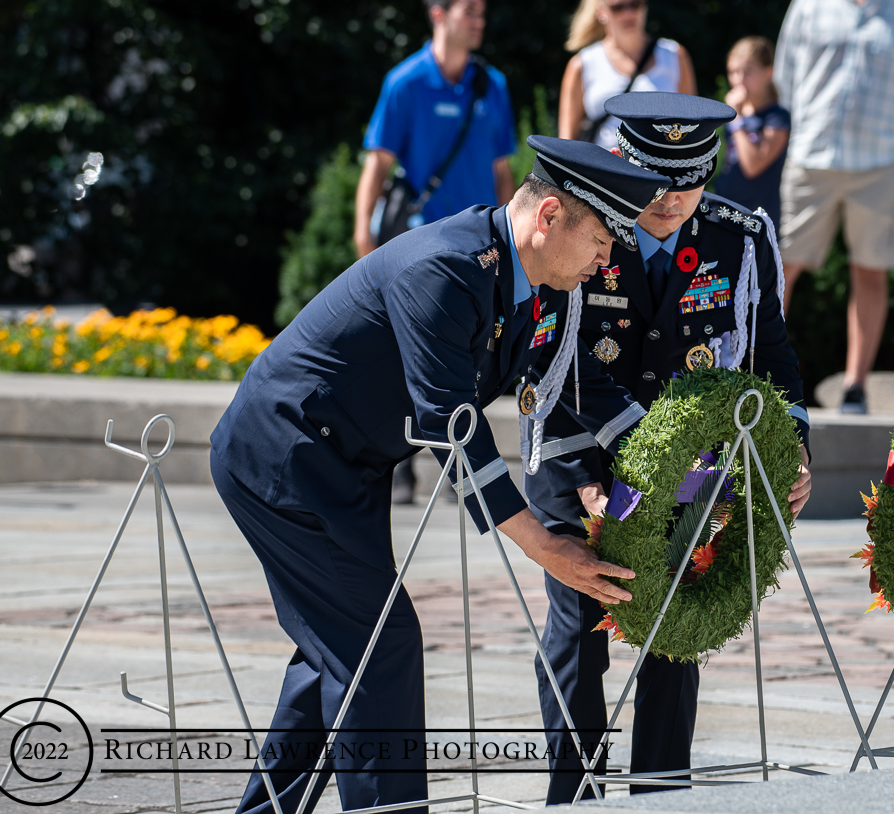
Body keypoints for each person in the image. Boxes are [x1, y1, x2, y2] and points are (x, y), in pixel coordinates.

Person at [211, 137, 672, 814]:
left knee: (340, 651)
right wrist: (543, 545)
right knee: (379, 645)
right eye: (603, 239)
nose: (608, 262)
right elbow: (450, 426)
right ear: (548, 217)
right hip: (286, 455)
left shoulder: (526, 282)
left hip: (344, 465)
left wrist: (676, 474)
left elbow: (572, 382)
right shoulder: (448, 270)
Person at [525, 92, 813, 805]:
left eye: (689, 181)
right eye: (656, 181)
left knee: (672, 634)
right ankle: (574, 793)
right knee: (579, 627)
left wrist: (794, 445)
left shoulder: (739, 238)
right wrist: (590, 479)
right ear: (623, 162)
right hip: (582, 462)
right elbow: (544, 363)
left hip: (685, 477)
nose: (672, 199)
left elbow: (771, 354)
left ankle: (662, 793)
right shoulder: (588, 226)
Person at [354, 0, 518, 502]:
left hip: (479, 245)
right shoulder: (405, 82)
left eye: (481, 11)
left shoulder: (490, 85)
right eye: (468, 9)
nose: (478, 20)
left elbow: (502, 171)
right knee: (409, 357)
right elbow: (378, 162)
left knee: (473, 356)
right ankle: (398, 466)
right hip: (420, 249)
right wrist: (363, 230)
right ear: (438, 14)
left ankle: (458, 465)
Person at [774, 0, 894, 413]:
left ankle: (855, 387)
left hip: (884, 162)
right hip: (813, 156)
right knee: (781, 266)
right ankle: (759, 372)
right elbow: (786, 75)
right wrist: (795, 132)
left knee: (870, 271)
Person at [557, 0, 697, 150]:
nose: (628, 13)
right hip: (602, 175)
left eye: (635, 3)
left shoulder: (674, 55)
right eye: (618, 7)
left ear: (645, 3)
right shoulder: (582, 64)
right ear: (601, 11)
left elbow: (694, 132)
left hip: (663, 176)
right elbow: (566, 145)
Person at [714, 36, 791, 231]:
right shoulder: (732, 114)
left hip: (757, 216)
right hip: (724, 209)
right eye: (733, 72)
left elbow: (753, 165)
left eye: (747, 72)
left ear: (768, 72)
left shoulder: (777, 118)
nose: (738, 80)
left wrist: (737, 119)